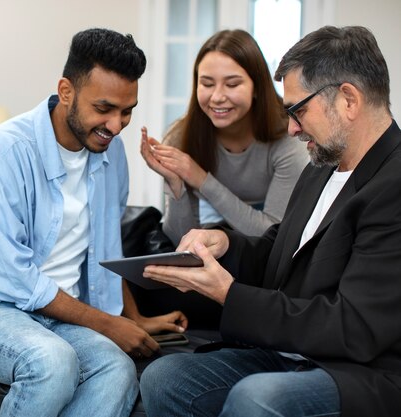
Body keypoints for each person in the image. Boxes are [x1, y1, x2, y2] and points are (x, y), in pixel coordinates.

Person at [0, 28, 187, 417]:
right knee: (53, 362)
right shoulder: (5, 150)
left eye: (127, 111)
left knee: (116, 369)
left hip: (59, 317)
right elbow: (9, 275)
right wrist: (107, 324)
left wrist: (133, 317)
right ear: (67, 91)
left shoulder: (113, 155)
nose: (116, 124)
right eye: (104, 108)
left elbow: (106, 248)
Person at [139, 25, 401, 417]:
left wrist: (230, 294)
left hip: (357, 371)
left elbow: (354, 328)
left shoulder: (393, 185)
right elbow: (278, 253)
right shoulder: (321, 168)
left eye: (299, 110)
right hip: (290, 352)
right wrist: (225, 244)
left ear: (348, 99)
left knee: (259, 398)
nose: (292, 128)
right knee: (165, 378)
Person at [141, 29, 309, 245]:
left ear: (257, 87)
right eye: (207, 84)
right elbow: (179, 242)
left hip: (271, 253)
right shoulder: (181, 138)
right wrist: (176, 186)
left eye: (232, 84)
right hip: (213, 242)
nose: (217, 97)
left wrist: (201, 179)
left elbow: (273, 235)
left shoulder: (289, 137)